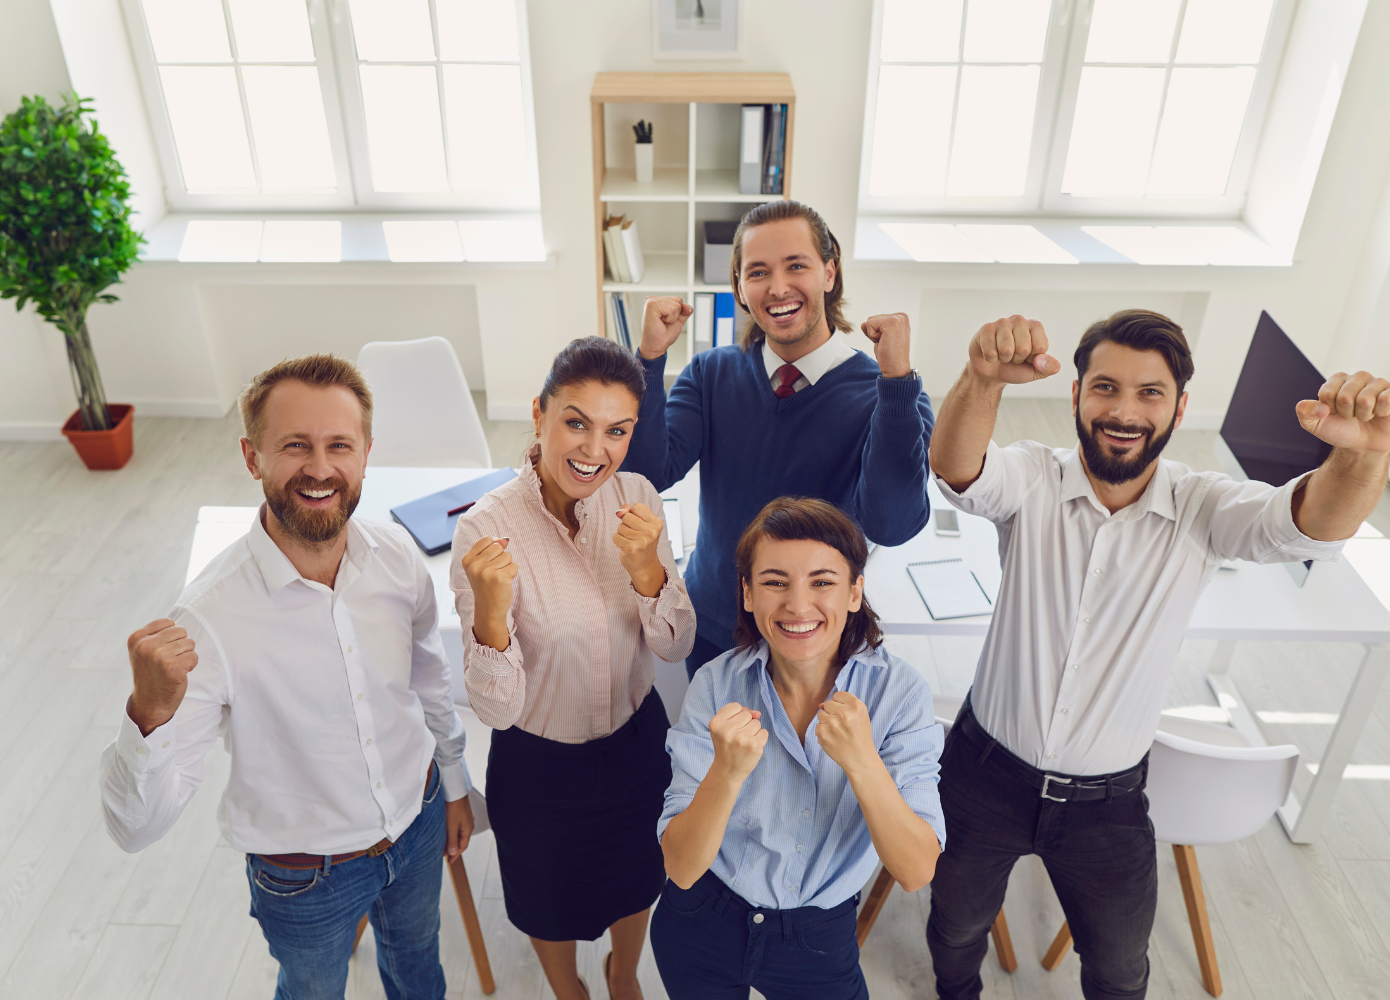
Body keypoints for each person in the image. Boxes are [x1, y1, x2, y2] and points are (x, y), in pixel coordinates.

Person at [925, 309, 1390, 1000]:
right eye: (1106, 387)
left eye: (1150, 393)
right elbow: (958, 471)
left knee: (1119, 968)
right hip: (982, 774)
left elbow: (1308, 527)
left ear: (1179, 408)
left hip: (1105, 806)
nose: (1125, 410)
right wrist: (982, 378)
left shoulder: (1204, 507)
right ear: (1076, 395)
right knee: (955, 930)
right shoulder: (1032, 478)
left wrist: (1364, 455)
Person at [99, 354, 474, 1000]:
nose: (321, 468)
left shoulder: (397, 559)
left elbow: (429, 683)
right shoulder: (208, 619)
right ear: (253, 458)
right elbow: (136, 829)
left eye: (339, 446)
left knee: (418, 967)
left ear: (366, 454)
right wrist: (148, 715)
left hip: (419, 823)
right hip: (308, 880)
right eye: (295, 446)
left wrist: (457, 782)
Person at [450, 336, 695, 1000]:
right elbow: (497, 711)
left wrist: (649, 573)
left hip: (636, 744)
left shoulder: (639, 495)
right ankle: (570, 990)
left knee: (638, 878)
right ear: (540, 415)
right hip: (539, 764)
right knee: (544, 898)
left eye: (617, 430)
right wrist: (491, 618)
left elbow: (674, 646)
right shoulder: (485, 531)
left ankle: (622, 974)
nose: (595, 451)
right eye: (576, 422)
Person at [622, 199, 934, 679]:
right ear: (741, 290)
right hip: (715, 624)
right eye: (759, 272)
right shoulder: (710, 373)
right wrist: (648, 360)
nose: (778, 287)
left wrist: (895, 382)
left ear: (830, 273)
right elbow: (646, 472)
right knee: (717, 752)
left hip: (816, 632)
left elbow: (892, 524)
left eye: (797, 266)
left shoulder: (891, 394)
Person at [653, 497, 945, 1000]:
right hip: (703, 918)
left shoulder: (901, 696)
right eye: (774, 582)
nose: (797, 605)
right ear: (746, 594)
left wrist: (862, 761)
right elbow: (680, 866)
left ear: (855, 591)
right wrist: (724, 774)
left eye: (823, 582)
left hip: (818, 937)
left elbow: (916, 871)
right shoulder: (715, 685)